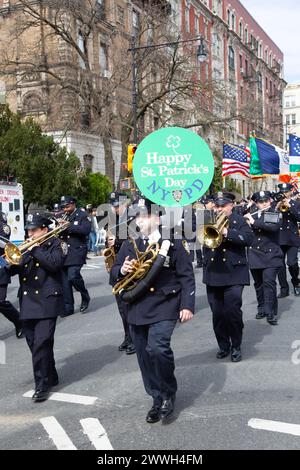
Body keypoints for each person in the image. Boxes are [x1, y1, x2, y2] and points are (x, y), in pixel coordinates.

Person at [110, 197, 195, 424]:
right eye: (137, 216)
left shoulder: (173, 241)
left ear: (157, 218)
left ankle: (168, 393)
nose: (139, 220)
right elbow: (114, 272)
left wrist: (187, 305)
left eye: (144, 215)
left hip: (165, 304)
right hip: (137, 306)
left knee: (158, 348)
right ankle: (156, 398)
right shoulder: (130, 243)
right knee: (144, 356)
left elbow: (186, 275)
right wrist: (121, 269)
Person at [7, 214, 67, 402]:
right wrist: (10, 263)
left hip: (47, 301)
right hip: (28, 302)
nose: (30, 233)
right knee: (34, 343)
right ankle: (52, 373)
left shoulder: (58, 244)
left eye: (33, 230)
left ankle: (42, 385)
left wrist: (35, 249)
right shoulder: (27, 248)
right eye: (29, 230)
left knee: (41, 343)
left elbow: (55, 264)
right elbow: (16, 269)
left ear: (44, 230)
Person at [203, 192, 254, 362]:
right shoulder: (207, 219)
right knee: (217, 314)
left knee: (232, 311)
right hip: (213, 272)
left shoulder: (239, 221)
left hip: (234, 273)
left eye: (223, 206)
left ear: (231, 205)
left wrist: (227, 232)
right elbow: (192, 235)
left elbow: (248, 238)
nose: (219, 209)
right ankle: (223, 345)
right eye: (217, 206)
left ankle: (236, 345)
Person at [244, 191, 283, 325]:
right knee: (259, 284)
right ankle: (261, 308)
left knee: (269, 283)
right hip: (255, 254)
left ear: (270, 201)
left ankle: (270, 312)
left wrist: (253, 221)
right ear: (256, 203)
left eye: (266, 200)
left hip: (271, 255)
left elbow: (272, 228)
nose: (264, 203)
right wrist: (245, 223)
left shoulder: (273, 213)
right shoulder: (251, 214)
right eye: (261, 202)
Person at [106, 191, 136, 355]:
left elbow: (135, 238)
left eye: (117, 205)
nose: (114, 208)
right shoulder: (113, 219)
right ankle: (127, 336)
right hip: (118, 267)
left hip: (130, 266)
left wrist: (116, 240)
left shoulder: (134, 217)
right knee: (121, 307)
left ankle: (134, 338)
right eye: (113, 205)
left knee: (129, 305)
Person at [59, 196, 91, 315]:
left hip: (77, 251)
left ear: (73, 204)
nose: (65, 209)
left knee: (73, 276)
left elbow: (86, 230)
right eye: (63, 207)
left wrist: (69, 226)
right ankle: (68, 308)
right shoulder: (63, 216)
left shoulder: (82, 215)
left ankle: (84, 295)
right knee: (65, 282)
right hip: (63, 253)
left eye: (67, 206)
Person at [0, 212, 23, 338]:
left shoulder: (3, 227)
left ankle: (18, 320)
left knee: (0, 302)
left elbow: (6, 245)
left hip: (0, 265)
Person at [276, 183, 300, 297]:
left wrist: (290, 205)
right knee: (280, 265)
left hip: (292, 238)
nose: (284, 193)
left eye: (286, 191)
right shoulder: (276, 203)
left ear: (291, 191)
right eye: (282, 191)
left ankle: (296, 282)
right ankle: (284, 288)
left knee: (292, 263)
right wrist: (276, 208)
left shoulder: (296, 204)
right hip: (279, 237)